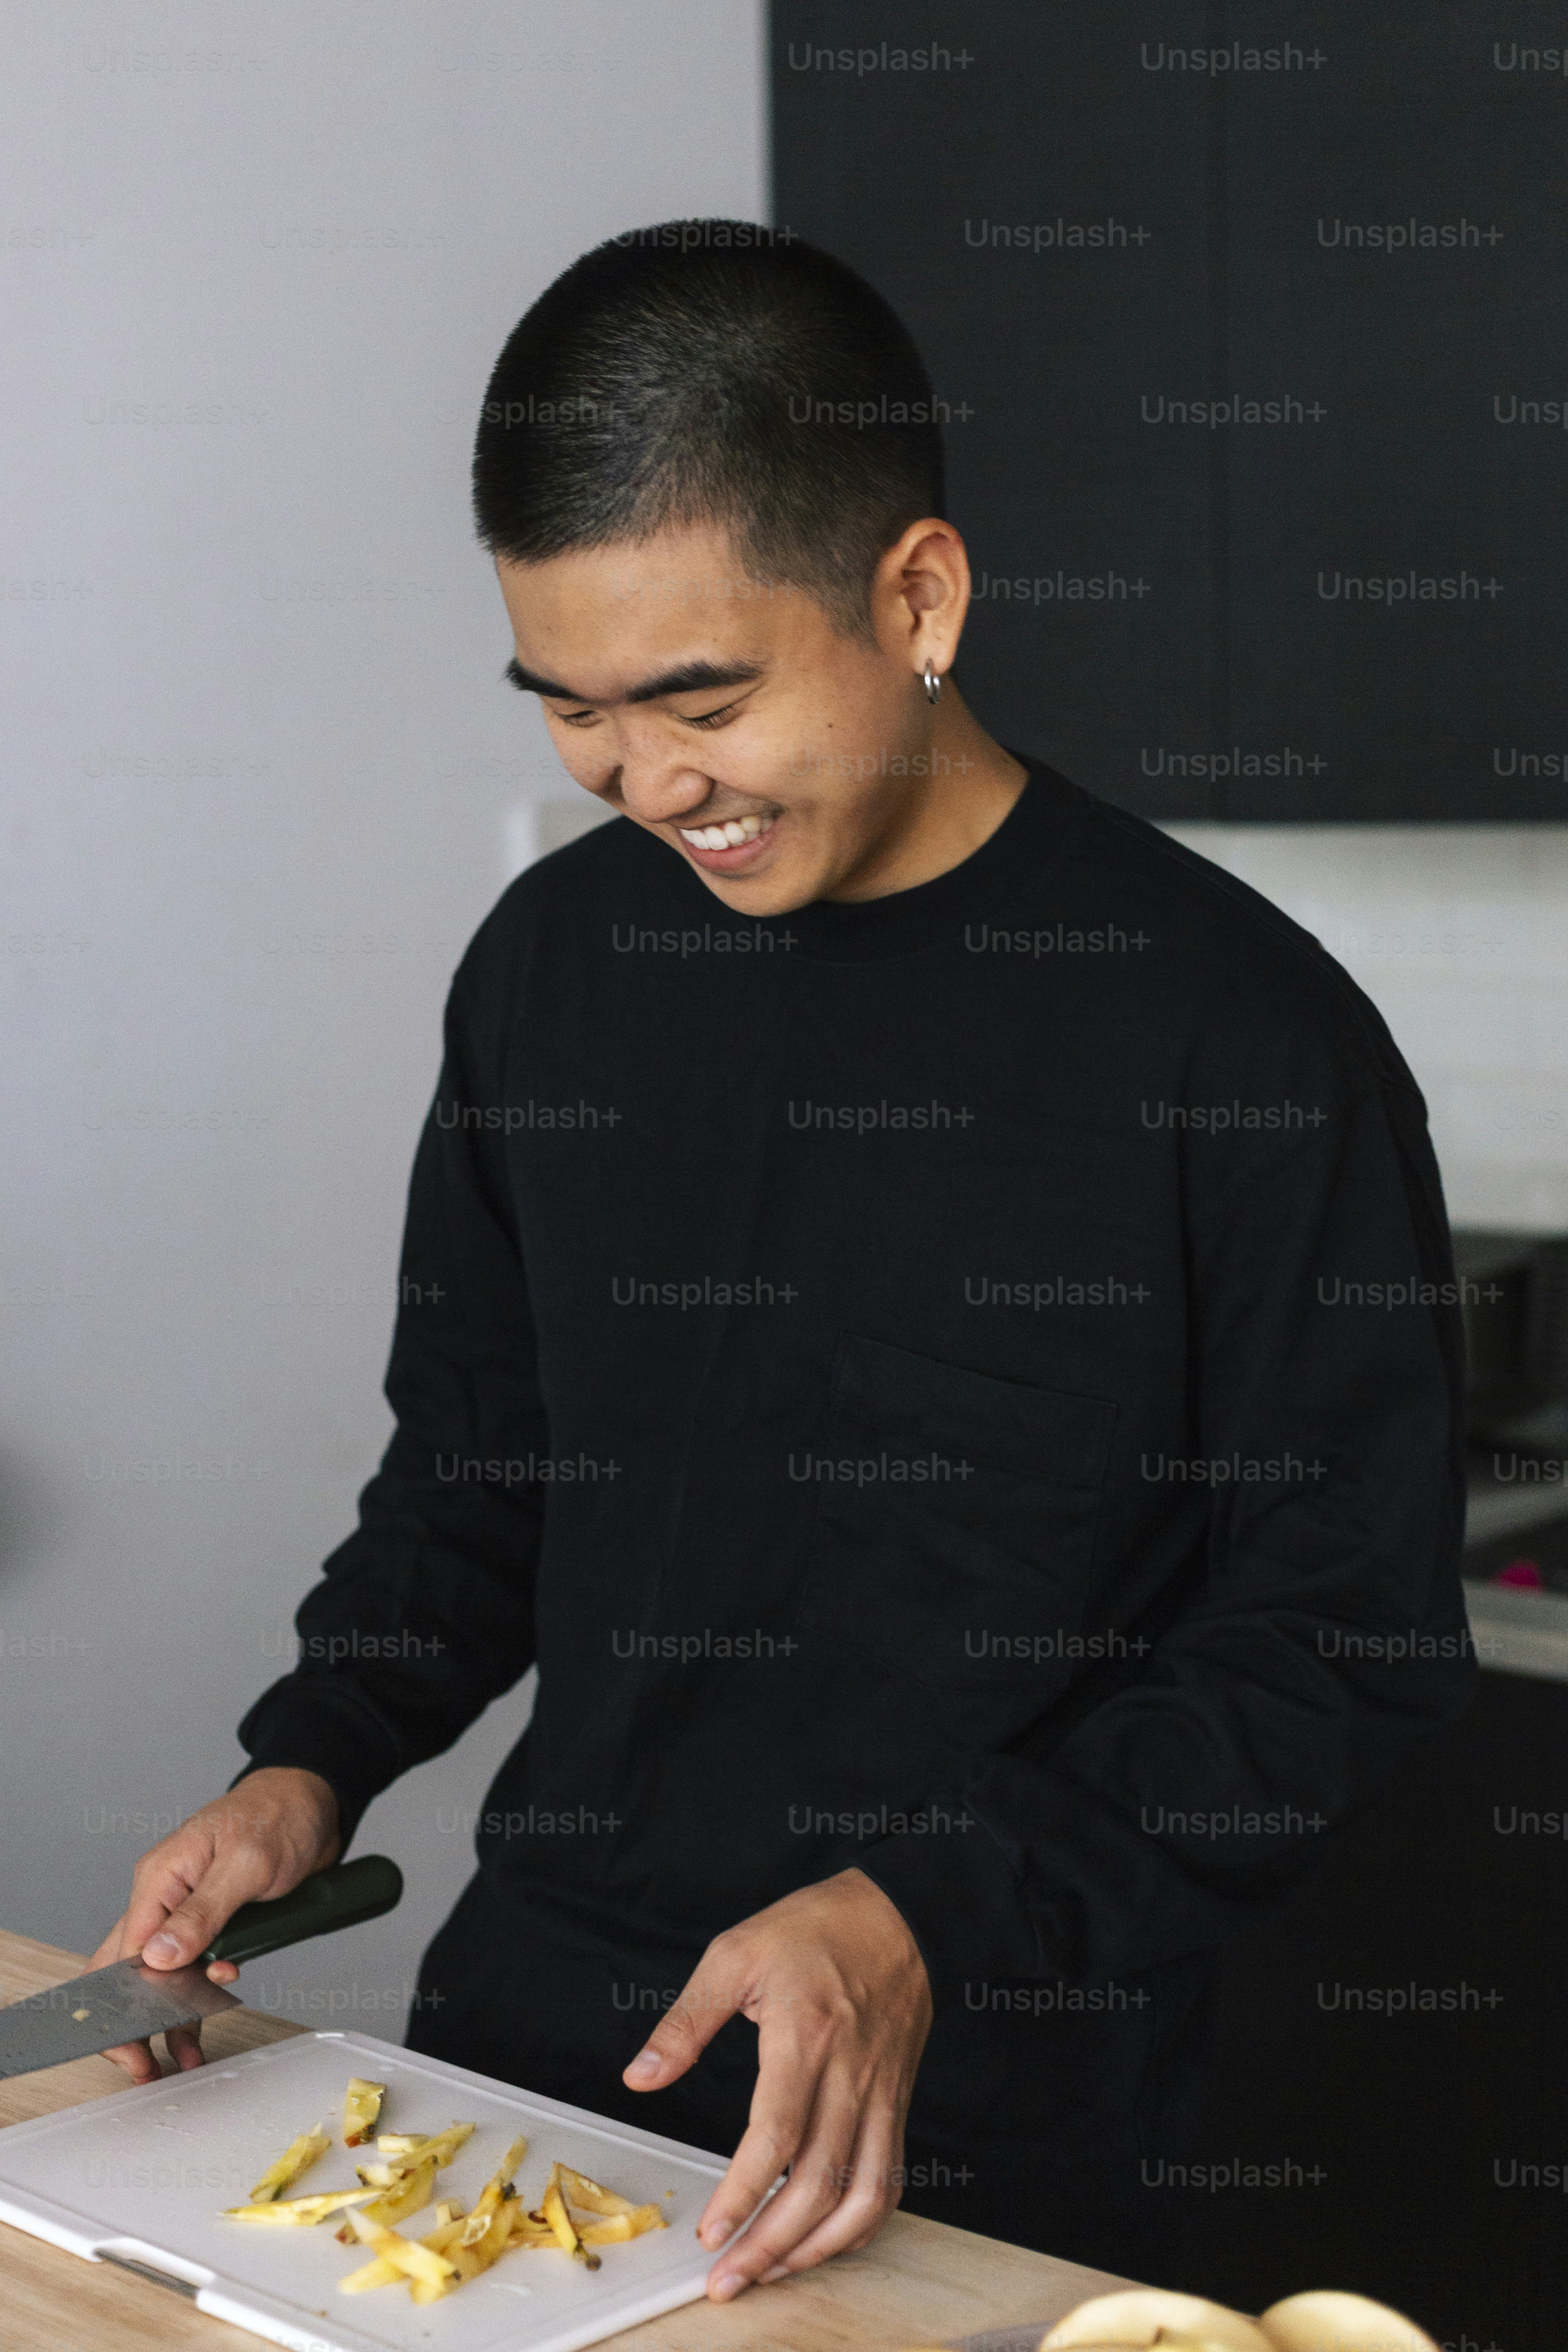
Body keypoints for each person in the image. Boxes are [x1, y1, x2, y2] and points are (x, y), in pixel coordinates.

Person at [89, 221, 1474, 2294]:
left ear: (916, 597)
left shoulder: (1240, 1040)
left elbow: (1338, 1647)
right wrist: (313, 1757)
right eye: (570, 710)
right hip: (534, 2069)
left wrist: (921, 1906)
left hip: (997, 2131)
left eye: (703, 700)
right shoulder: (551, 971)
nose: (649, 784)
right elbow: (479, 1469)